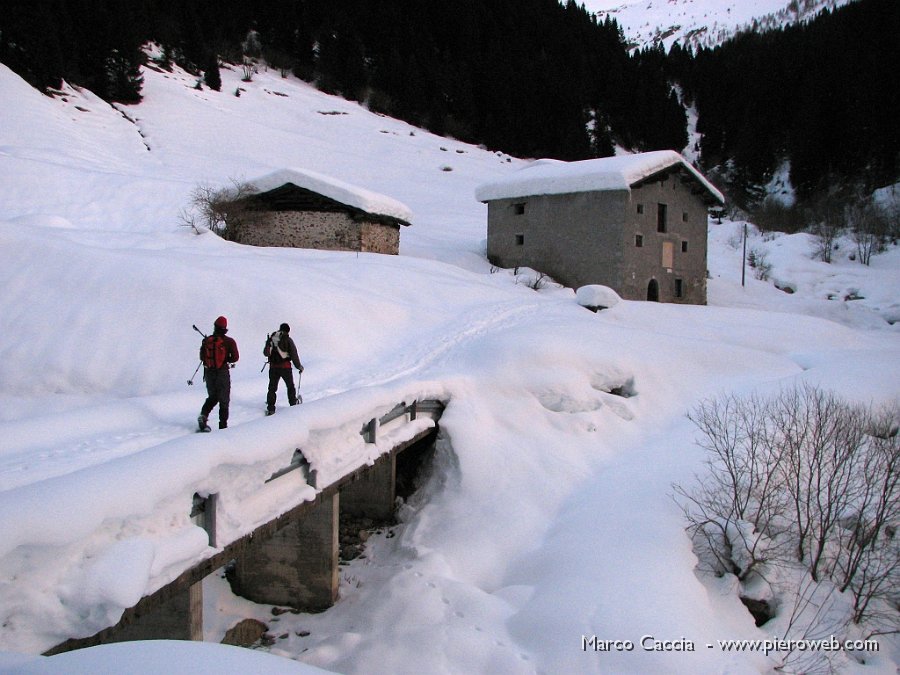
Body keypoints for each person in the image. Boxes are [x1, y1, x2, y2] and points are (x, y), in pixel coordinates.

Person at [198, 316, 239, 432]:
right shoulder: (229, 341)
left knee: (212, 397)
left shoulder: (207, 340)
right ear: (225, 328)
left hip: (209, 373)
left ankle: (203, 416)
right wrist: (226, 360)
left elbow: (202, 357)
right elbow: (235, 357)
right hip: (222, 373)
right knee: (224, 399)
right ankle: (223, 427)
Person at [264, 322, 304, 415]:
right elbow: (294, 354)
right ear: (288, 331)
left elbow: (265, 352)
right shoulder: (288, 340)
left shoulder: (272, 338)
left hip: (273, 367)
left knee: (272, 388)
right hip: (285, 367)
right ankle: (293, 405)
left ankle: (271, 408)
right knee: (290, 387)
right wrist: (299, 366)